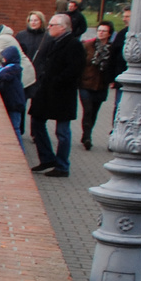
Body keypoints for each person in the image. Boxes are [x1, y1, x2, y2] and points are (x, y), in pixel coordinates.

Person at [29, 13, 86, 177]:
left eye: (52, 25)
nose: (49, 27)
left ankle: (62, 166)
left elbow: (75, 69)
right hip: (46, 90)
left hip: (62, 93)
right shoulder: (52, 42)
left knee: (62, 131)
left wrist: (56, 80)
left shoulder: (73, 45)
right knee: (37, 122)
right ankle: (47, 158)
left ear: (63, 27)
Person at [78, 21, 113, 150]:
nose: (101, 33)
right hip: (86, 83)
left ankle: (87, 133)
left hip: (101, 85)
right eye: (99, 30)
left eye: (104, 31)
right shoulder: (88, 46)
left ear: (109, 34)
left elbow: (113, 66)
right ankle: (87, 137)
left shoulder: (111, 49)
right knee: (87, 110)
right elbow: (80, 63)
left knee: (94, 112)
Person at [0, 44, 27, 144]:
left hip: (15, 103)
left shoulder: (13, 69)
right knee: (13, 126)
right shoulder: (7, 68)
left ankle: (20, 149)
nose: (3, 59)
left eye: (5, 57)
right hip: (12, 102)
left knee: (15, 128)